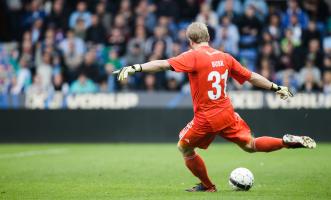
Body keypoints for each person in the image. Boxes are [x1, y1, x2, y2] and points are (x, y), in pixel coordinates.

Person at [114, 22, 316, 192]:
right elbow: (251, 77)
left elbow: (163, 64)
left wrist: (135, 67)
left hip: (206, 118)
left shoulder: (192, 56)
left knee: (184, 148)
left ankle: (208, 186)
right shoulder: (224, 57)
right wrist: (276, 87)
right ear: (208, 37)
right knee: (250, 145)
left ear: (190, 41)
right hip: (227, 112)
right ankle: (285, 141)